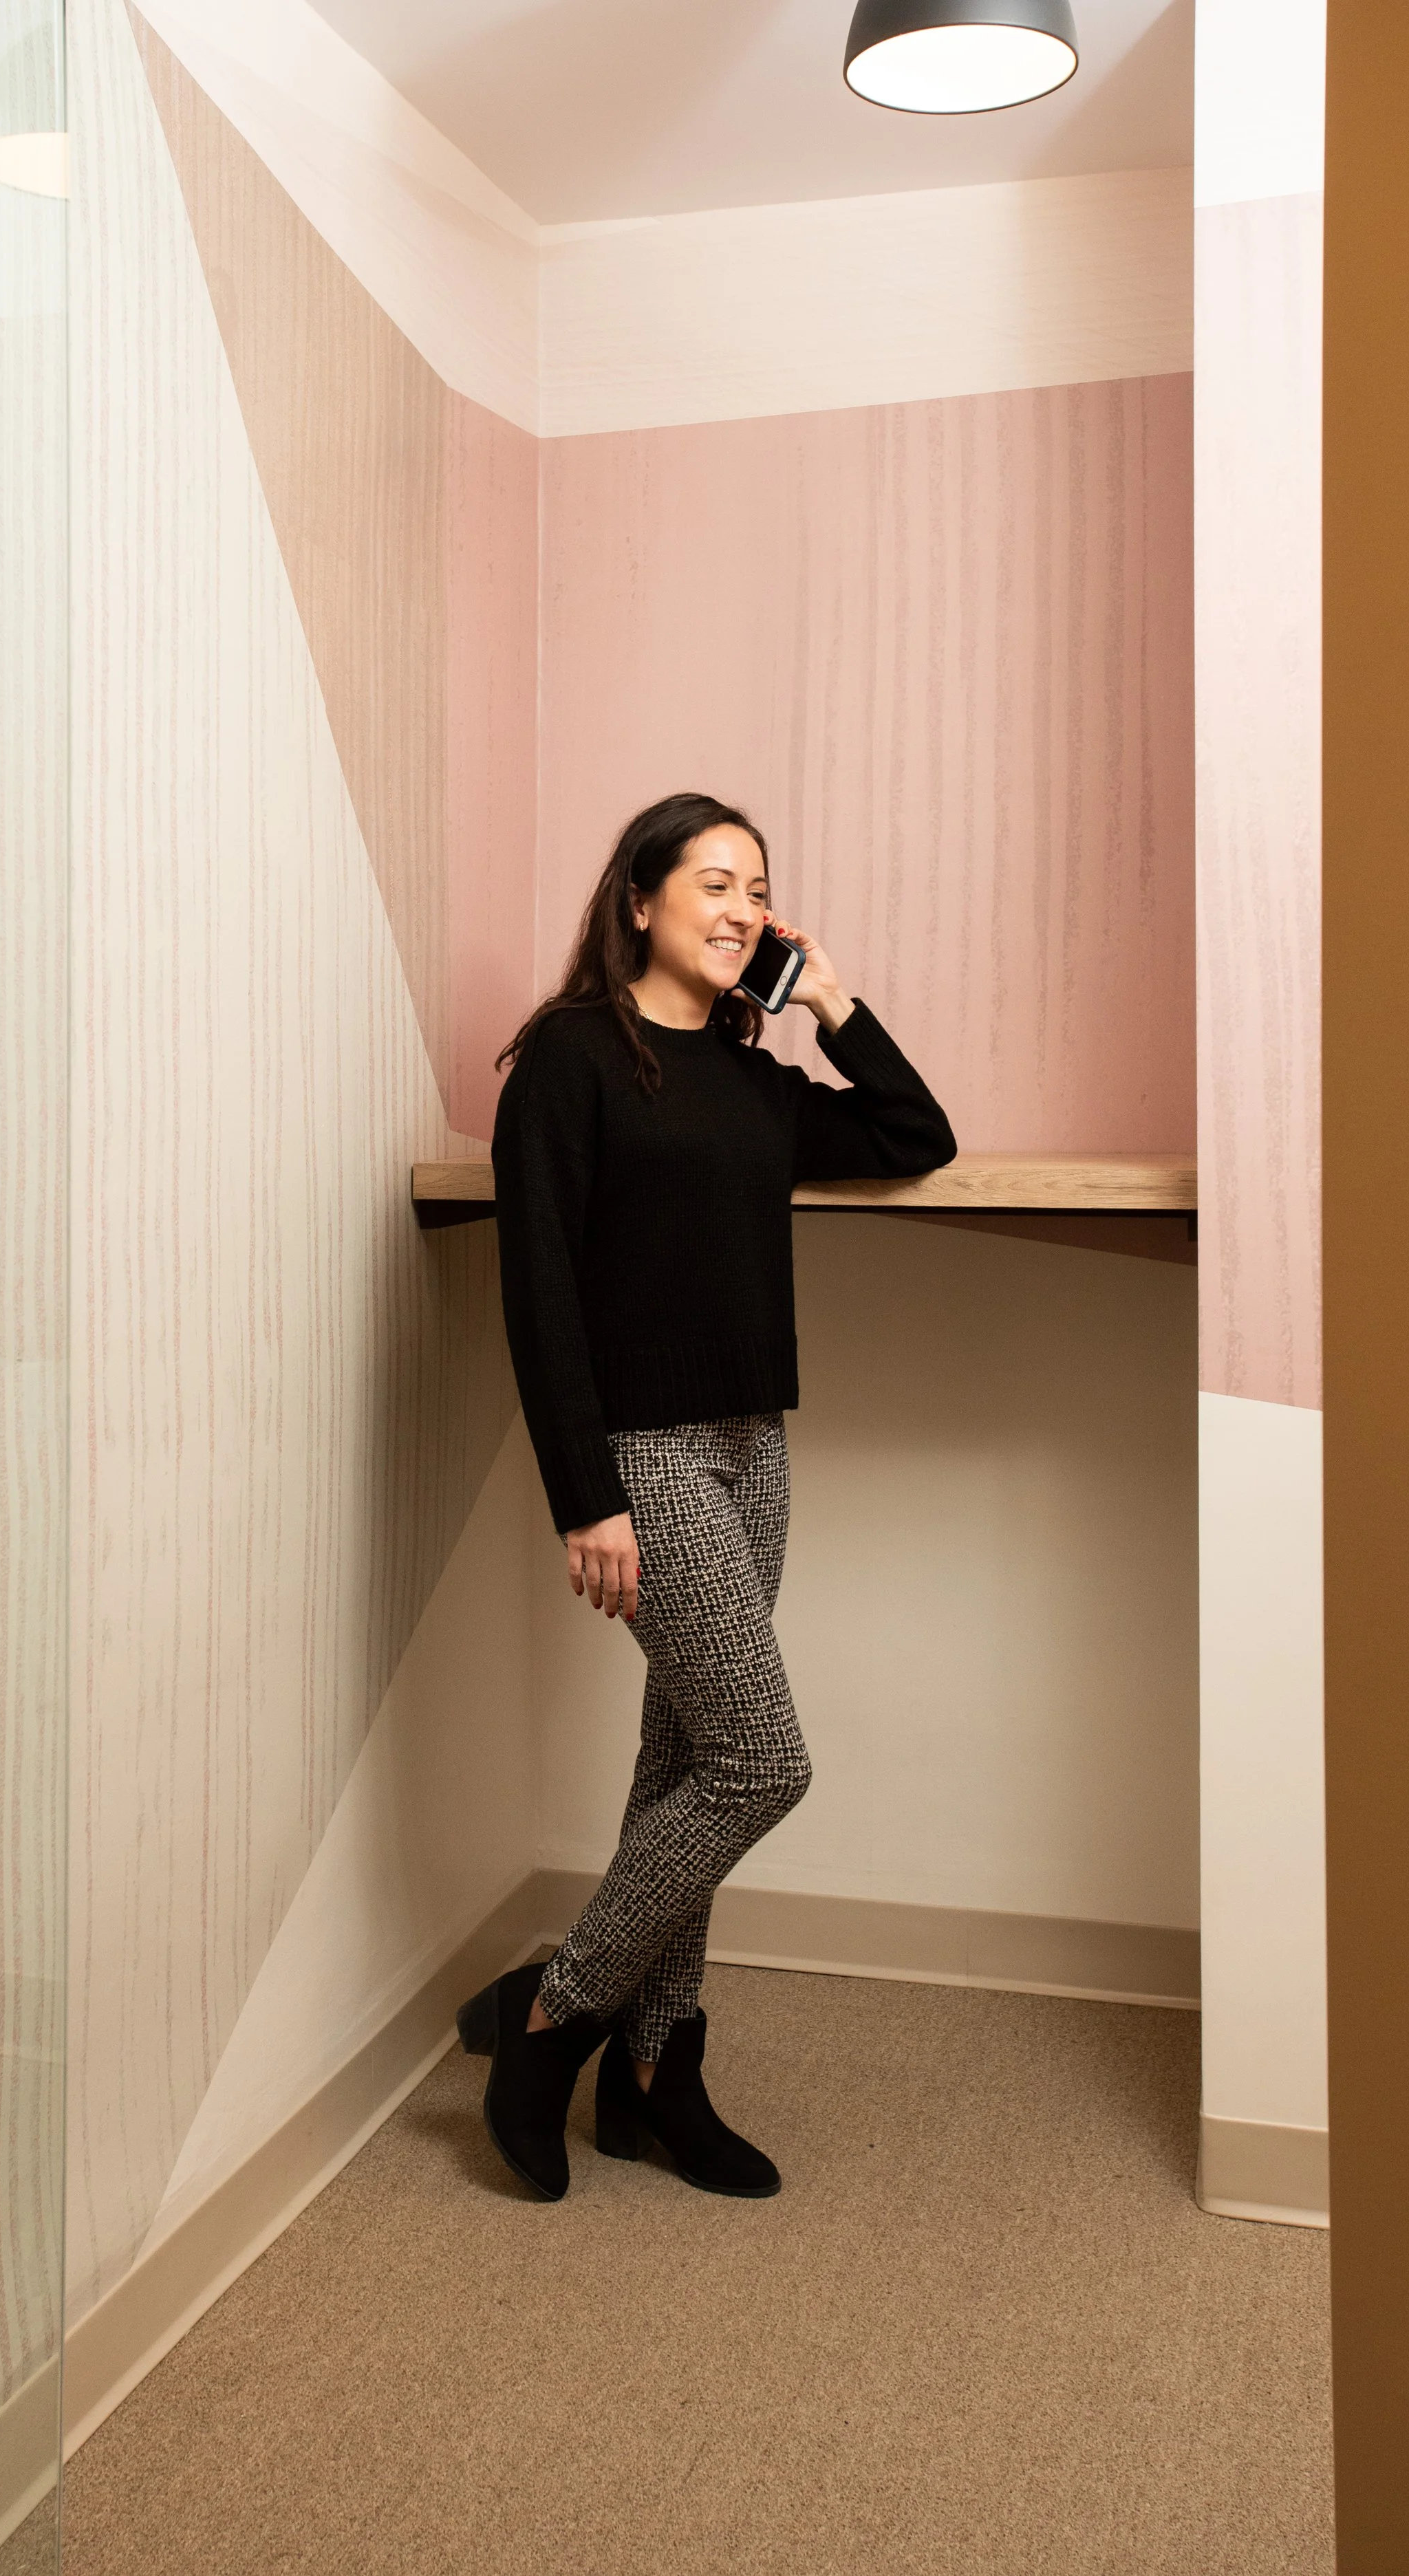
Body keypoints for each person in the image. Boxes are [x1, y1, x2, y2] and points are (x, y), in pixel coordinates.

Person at [457, 792, 956, 2202]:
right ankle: (550, 2016)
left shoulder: (749, 1079)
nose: (740, 909)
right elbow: (539, 1291)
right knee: (758, 1763)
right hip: (645, 1456)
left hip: (754, 1446)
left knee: (681, 1766)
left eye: (758, 892)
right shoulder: (568, 1061)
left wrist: (832, 1004)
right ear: (638, 900)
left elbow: (915, 1133)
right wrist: (585, 1495)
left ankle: (655, 2071)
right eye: (713, 883)